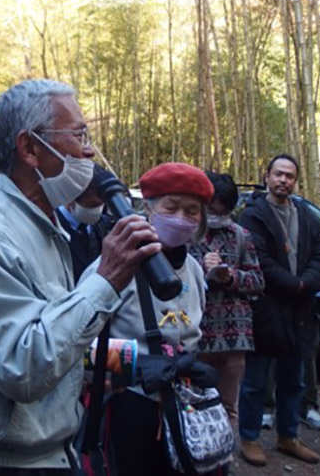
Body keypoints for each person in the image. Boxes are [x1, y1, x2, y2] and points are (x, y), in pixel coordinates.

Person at [0, 79, 158, 474]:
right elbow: (21, 366)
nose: (89, 150)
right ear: (30, 148)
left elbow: (52, 333)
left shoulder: (42, 225)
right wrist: (105, 278)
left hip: (51, 453)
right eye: (79, 134)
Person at [95, 162, 221, 476]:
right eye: (171, 207)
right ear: (149, 209)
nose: (181, 218)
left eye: (192, 211)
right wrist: (132, 365)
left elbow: (193, 332)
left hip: (185, 404)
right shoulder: (115, 263)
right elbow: (76, 344)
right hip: (132, 404)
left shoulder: (193, 268)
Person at [236, 154, 320, 467]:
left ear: (295, 180)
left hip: (300, 311)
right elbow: (259, 259)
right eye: (278, 174)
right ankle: (249, 437)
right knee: (255, 382)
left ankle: (288, 436)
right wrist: (296, 285)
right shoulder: (253, 215)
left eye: (289, 175)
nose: (283, 180)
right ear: (267, 176)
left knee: (294, 380)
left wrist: (307, 283)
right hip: (266, 307)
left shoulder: (306, 215)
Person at [189, 172, 264, 435]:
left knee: (228, 406)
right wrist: (202, 271)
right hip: (195, 333)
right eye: (212, 210)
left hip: (234, 337)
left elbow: (257, 281)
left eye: (224, 211)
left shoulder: (241, 235)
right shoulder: (187, 233)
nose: (217, 216)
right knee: (193, 402)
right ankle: (195, 451)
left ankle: (224, 458)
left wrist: (232, 276)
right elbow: (172, 280)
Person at [55, 183, 113, 278]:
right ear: (69, 200)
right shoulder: (51, 227)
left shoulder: (104, 223)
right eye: (92, 204)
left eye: (101, 204)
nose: (97, 210)